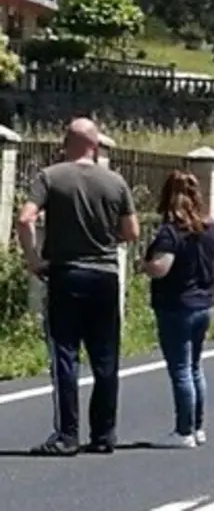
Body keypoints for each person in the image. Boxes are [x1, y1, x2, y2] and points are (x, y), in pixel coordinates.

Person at [15, 118, 139, 456]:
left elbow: (25, 218)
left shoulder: (50, 177)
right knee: (105, 358)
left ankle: (67, 434)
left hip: (66, 275)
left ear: (66, 143)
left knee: (65, 354)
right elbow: (132, 232)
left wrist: (33, 258)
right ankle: (103, 434)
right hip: (104, 276)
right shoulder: (115, 182)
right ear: (96, 146)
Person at [139, 170, 214, 449]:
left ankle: (183, 431)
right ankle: (199, 427)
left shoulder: (170, 231)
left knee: (180, 369)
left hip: (176, 306)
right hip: (203, 304)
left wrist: (144, 266)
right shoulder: (212, 229)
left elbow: (162, 268)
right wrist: (212, 293)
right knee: (195, 366)